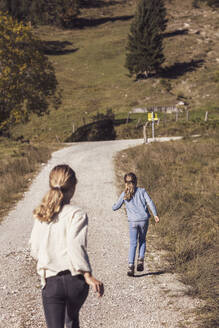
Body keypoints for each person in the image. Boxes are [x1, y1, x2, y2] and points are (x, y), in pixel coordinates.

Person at [29, 164, 104, 328]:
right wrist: (87, 275)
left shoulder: (41, 214)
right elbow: (75, 245)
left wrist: (48, 257)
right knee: (71, 321)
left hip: (51, 283)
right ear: (73, 187)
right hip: (75, 282)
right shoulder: (77, 214)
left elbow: (34, 248)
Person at [112, 172, 159, 277]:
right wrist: (155, 214)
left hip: (132, 222)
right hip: (143, 220)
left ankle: (130, 266)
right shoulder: (142, 191)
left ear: (125, 183)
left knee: (133, 243)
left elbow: (116, 207)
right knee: (142, 240)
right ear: (136, 181)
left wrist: (113, 206)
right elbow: (150, 202)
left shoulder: (124, 194)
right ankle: (141, 260)